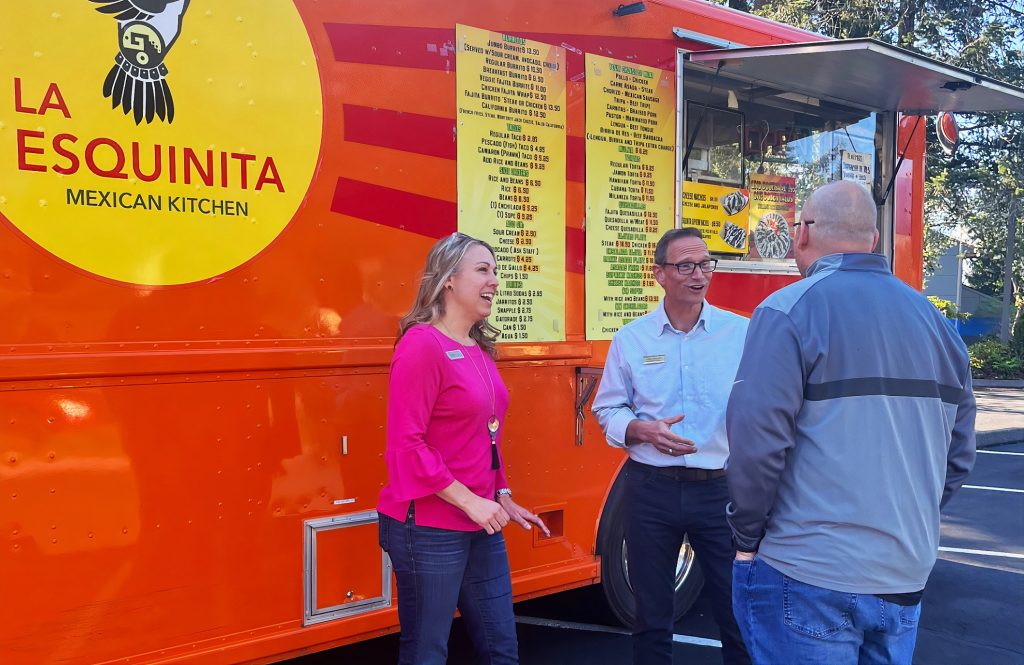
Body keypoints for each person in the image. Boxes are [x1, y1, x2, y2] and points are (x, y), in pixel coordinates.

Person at [726, 181, 977, 665]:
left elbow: (756, 446)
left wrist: (746, 538)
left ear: (801, 234)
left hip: (805, 570)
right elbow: (959, 457)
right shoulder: (938, 325)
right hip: (904, 572)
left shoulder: (788, 311)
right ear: (874, 240)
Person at [376, 232, 549, 665]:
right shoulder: (421, 345)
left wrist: (502, 496)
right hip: (429, 526)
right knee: (427, 651)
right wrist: (471, 501)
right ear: (449, 279)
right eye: (483, 270)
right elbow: (405, 444)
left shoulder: (478, 349)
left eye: (495, 272)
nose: (494, 282)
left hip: (480, 521)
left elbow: (486, 435)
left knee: (500, 646)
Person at [592, 227, 752, 665]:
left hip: (720, 491)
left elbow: (764, 407)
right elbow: (607, 409)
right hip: (650, 490)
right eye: (685, 266)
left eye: (705, 264)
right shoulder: (632, 338)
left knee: (736, 614)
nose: (698, 274)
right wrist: (641, 431)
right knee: (651, 617)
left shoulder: (741, 333)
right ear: (660, 274)